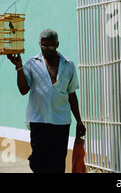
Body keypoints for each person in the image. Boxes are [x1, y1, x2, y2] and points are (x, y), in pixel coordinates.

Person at [7, 29, 86, 173]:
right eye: (43, 46)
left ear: (57, 44)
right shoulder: (32, 63)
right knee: (38, 162)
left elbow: (72, 94)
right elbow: (23, 90)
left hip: (60, 122)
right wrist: (19, 67)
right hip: (38, 121)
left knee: (58, 162)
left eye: (50, 46)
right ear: (39, 44)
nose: (46, 49)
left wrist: (79, 121)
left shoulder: (68, 65)